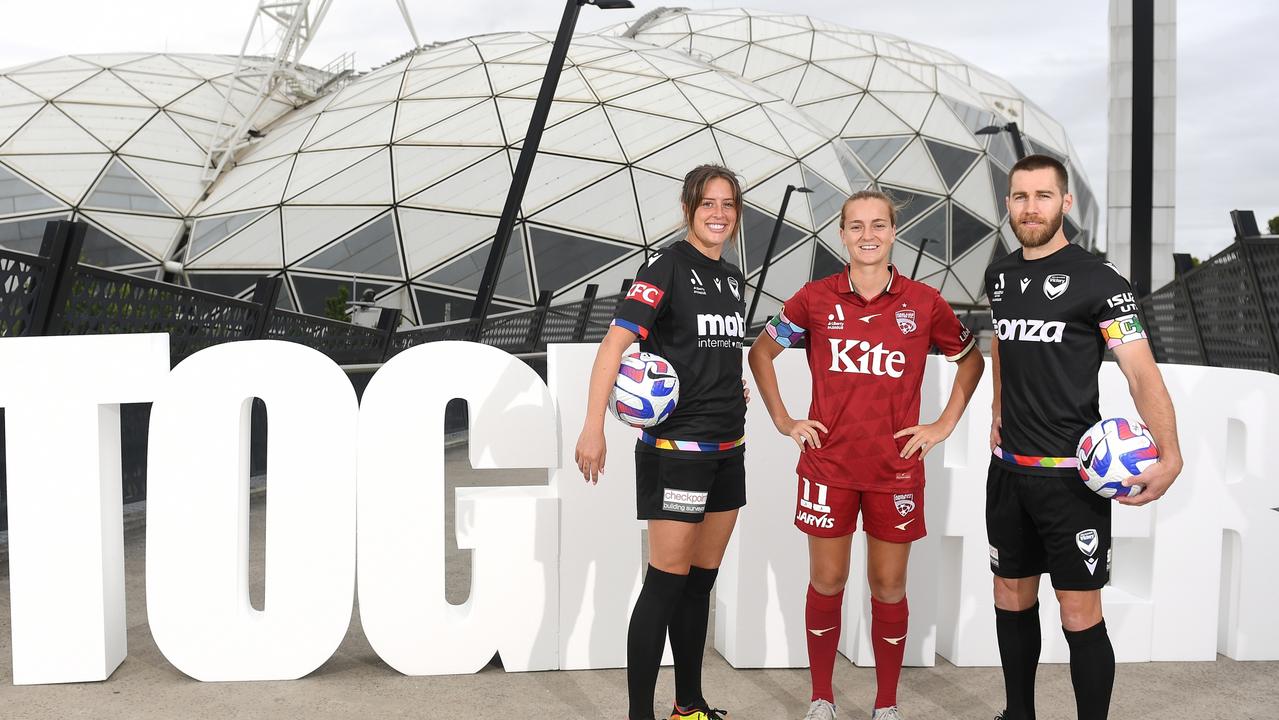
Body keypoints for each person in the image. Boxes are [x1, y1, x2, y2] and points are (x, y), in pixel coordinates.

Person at [748, 189, 985, 720]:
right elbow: (762, 352)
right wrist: (785, 420)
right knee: (827, 581)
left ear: (893, 232)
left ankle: (885, 705)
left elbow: (971, 360)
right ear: (842, 235)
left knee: (888, 584)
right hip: (828, 466)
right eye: (856, 226)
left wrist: (942, 425)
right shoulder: (813, 299)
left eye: (878, 225)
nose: (868, 235)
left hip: (895, 470)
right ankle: (822, 700)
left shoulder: (924, 302)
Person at [983, 154, 1182, 720]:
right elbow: (1002, 341)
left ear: (1065, 202)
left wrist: (1171, 455)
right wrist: (998, 402)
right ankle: (1017, 714)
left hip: (1071, 479)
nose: (1030, 208)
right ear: (1009, 205)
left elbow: (1141, 372)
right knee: (1010, 596)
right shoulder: (1000, 274)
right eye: (1020, 197)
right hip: (1008, 473)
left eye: (1042, 196)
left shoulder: (1101, 281)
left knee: (1078, 611)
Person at [575, 164, 748, 720]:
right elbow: (614, 345)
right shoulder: (667, 266)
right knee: (665, 585)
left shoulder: (731, 277)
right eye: (708, 204)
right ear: (688, 208)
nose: (719, 213)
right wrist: (593, 425)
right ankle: (639, 716)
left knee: (700, 585)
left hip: (728, 448)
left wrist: (727, 380)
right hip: (677, 453)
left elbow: (702, 350)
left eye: (728, 204)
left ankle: (688, 706)